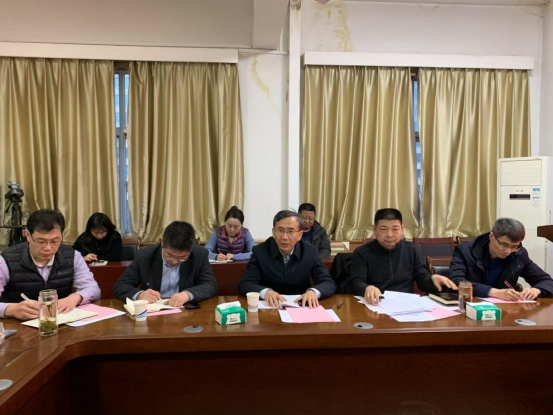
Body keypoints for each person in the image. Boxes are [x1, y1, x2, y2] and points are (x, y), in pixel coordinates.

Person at [0, 209, 101, 320]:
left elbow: (93, 288)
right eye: (41, 241)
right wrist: (11, 309)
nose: (48, 248)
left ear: (62, 235)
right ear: (27, 235)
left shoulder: (73, 256)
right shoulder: (6, 260)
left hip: (60, 321)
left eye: (55, 241)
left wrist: (75, 298)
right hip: (17, 324)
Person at [348, 208, 457, 305]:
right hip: (376, 303)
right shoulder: (362, 252)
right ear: (374, 229)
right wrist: (367, 288)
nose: (389, 234)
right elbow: (356, 282)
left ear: (402, 229)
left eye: (395, 229)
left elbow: (422, 279)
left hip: (406, 305)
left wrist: (432, 279)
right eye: (383, 229)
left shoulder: (412, 250)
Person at [238, 210, 336, 308]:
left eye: (290, 231)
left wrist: (313, 292)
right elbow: (245, 284)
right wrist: (265, 292)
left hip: (300, 307)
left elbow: (328, 283)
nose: (285, 237)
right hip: (270, 307)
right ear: (273, 232)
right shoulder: (260, 251)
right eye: (280, 230)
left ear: (299, 235)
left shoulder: (310, 251)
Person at [112, 221, 217, 306]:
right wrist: (140, 295)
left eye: (182, 257)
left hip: (186, 311)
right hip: (154, 312)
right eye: (170, 255)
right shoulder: (145, 256)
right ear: (162, 243)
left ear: (191, 249)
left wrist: (187, 295)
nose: (175, 261)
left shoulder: (199, 254)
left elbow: (210, 285)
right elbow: (120, 286)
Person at [449, 218, 553, 301]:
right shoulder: (466, 251)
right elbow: (457, 280)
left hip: (505, 310)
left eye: (514, 246)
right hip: (471, 305)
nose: (508, 251)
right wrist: (494, 292)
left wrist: (537, 290)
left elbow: (546, 280)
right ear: (492, 236)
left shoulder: (518, 254)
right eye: (504, 245)